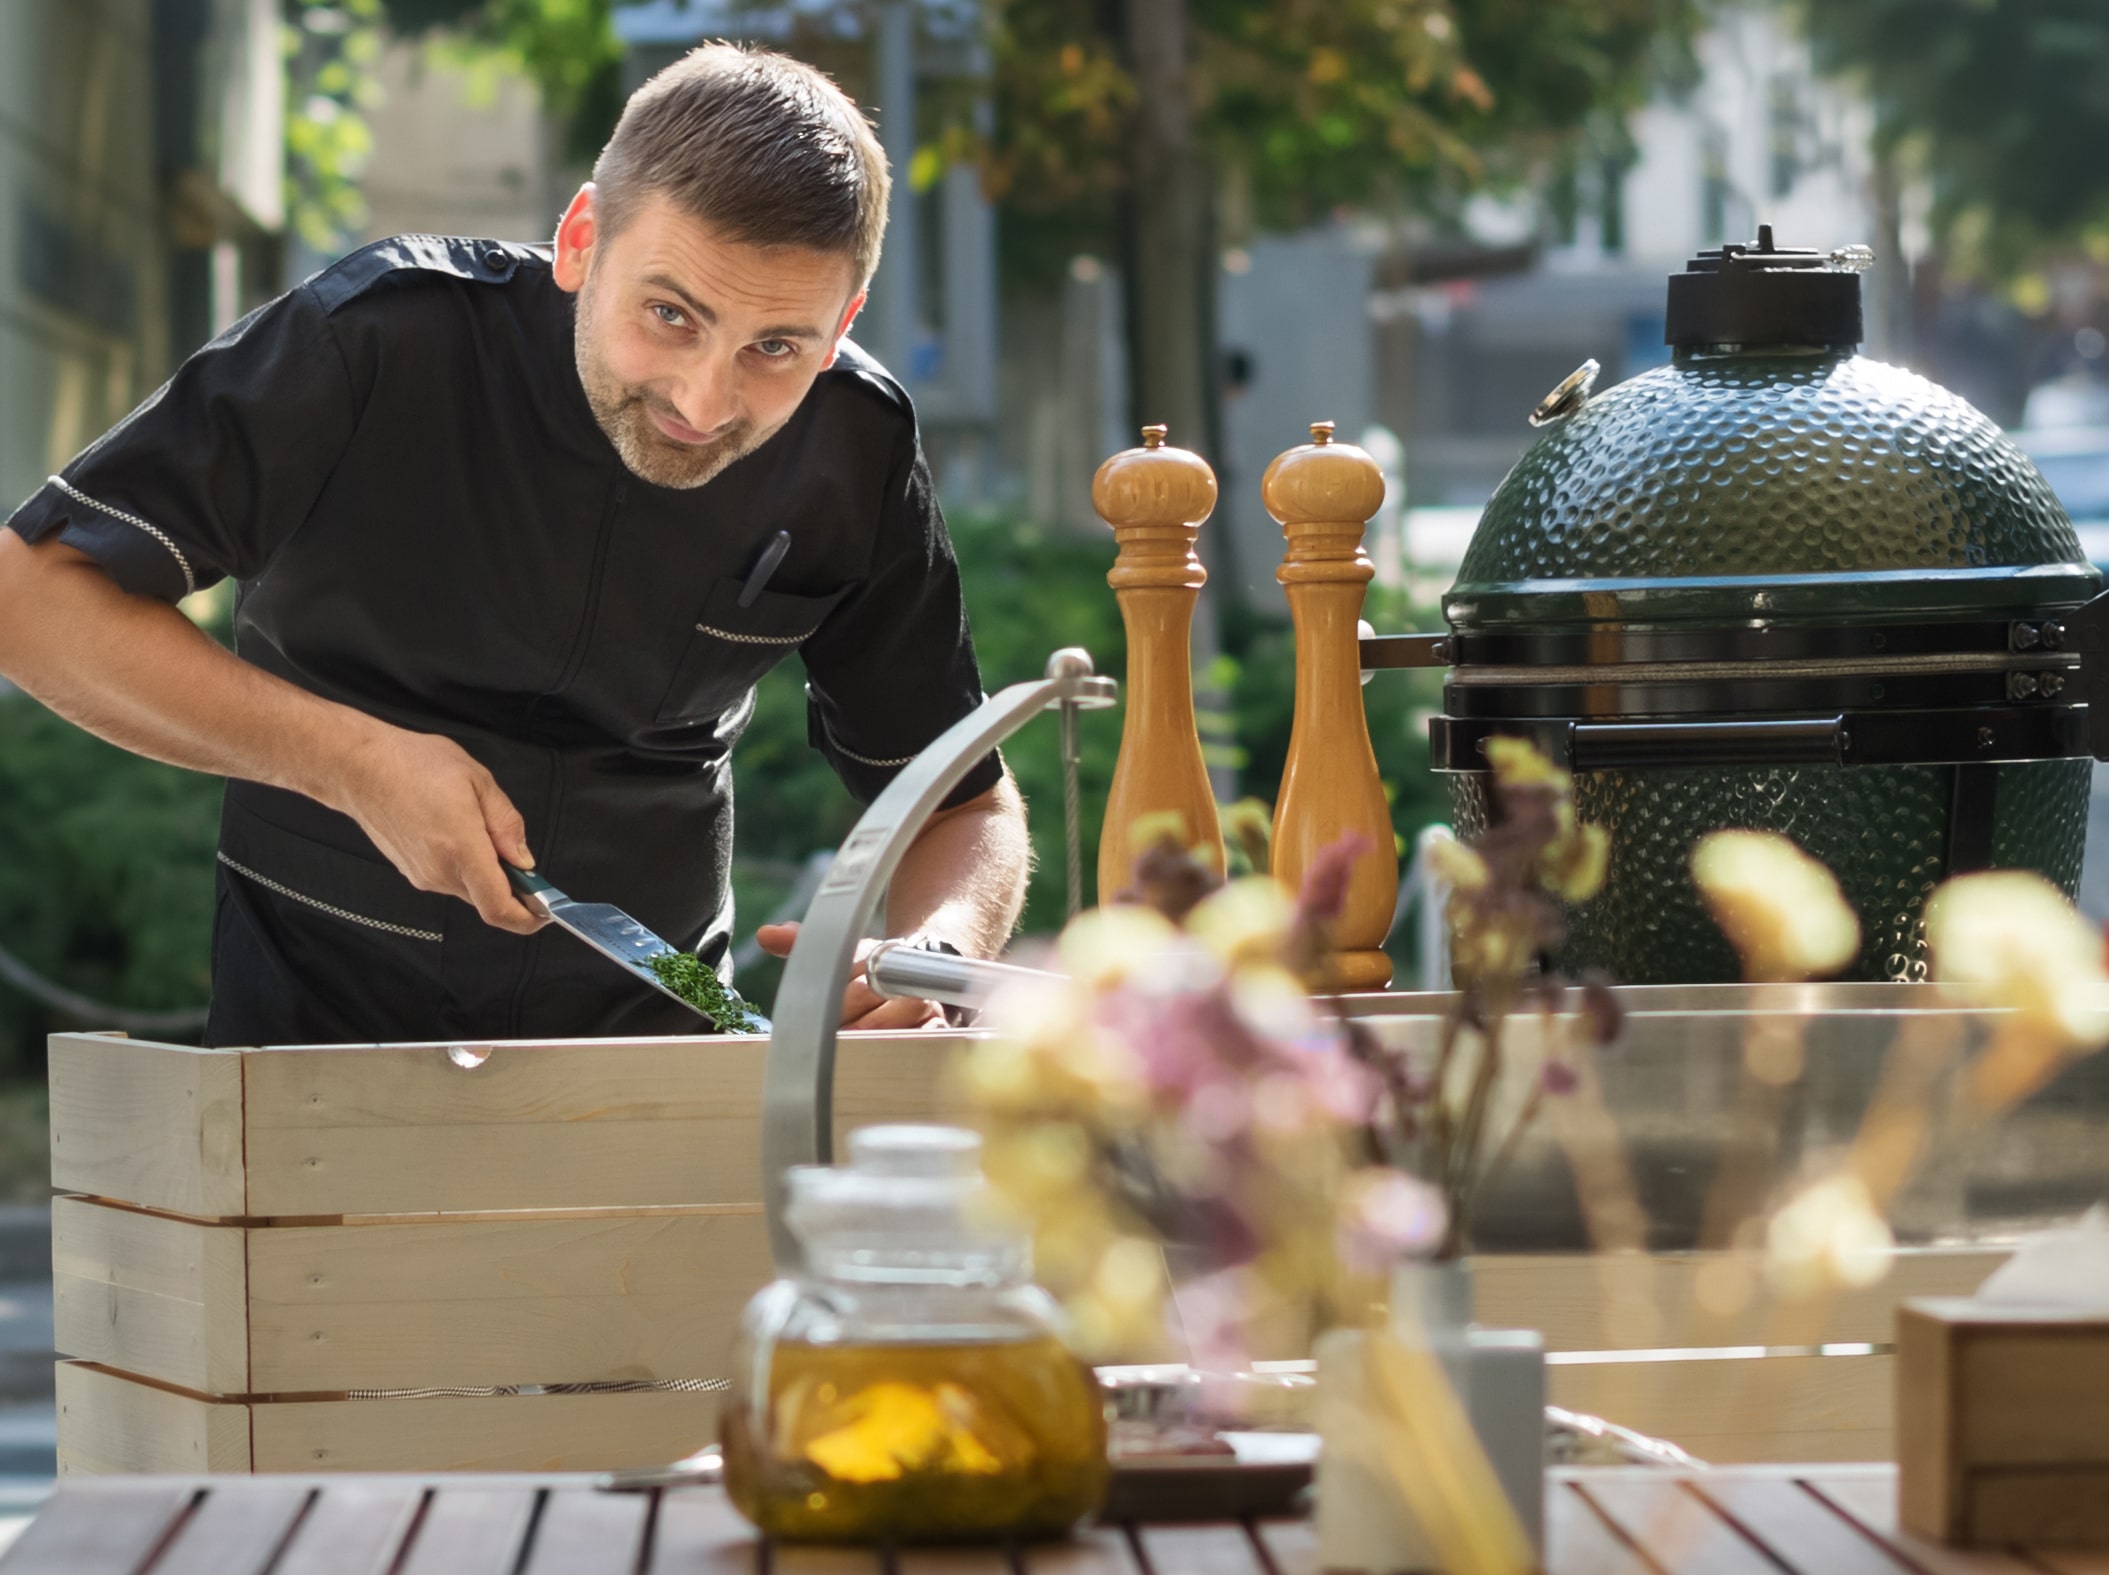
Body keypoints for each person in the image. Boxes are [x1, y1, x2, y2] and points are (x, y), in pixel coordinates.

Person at [0, 44, 1030, 1045]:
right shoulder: (372, 344)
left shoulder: (858, 445)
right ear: (582, 239)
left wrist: (935, 956)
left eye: (777, 348)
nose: (706, 399)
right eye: (671, 314)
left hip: (659, 1060)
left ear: (843, 320)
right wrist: (348, 760)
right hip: (315, 1048)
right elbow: (32, 595)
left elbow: (963, 802)